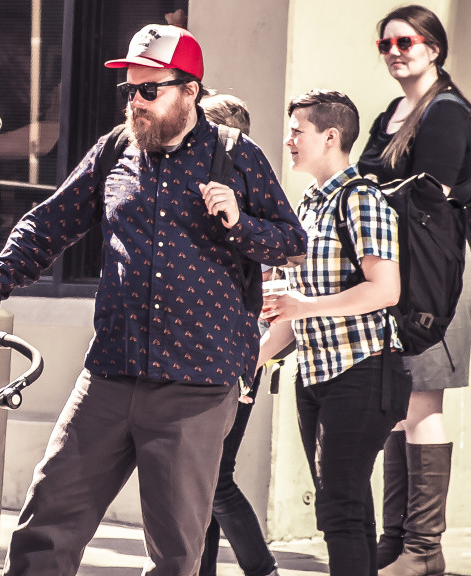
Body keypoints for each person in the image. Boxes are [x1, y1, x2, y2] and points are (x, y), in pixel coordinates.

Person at [0, 24, 307, 576]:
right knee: (42, 528)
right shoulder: (114, 151)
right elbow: (44, 228)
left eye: (150, 90)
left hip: (197, 383)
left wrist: (240, 223)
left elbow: (291, 243)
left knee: (174, 555)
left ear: (190, 91)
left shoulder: (237, 157)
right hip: (111, 375)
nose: (135, 103)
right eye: (129, 90)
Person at [257, 90, 412, 575]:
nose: (288, 140)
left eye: (297, 131)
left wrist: (304, 305)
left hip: (363, 371)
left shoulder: (361, 199)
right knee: (346, 506)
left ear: (330, 136)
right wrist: (248, 360)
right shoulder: (308, 205)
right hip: (315, 375)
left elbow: (385, 290)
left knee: (339, 507)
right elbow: (295, 314)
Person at [357, 6, 471, 575]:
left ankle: (423, 550)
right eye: (385, 44)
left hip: (438, 276)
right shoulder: (392, 113)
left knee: (422, 401)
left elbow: (428, 193)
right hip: (397, 276)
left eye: (405, 41)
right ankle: (397, 543)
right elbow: (366, 182)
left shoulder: (448, 112)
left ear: (434, 47)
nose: (394, 51)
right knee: (398, 409)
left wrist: (370, 190)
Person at [195, 92, 279, 576]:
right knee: (201, 479)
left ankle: (261, 567)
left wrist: (252, 363)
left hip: (242, 359)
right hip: (219, 358)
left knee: (216, 478)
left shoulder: (250, 208)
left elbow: (270, 293)